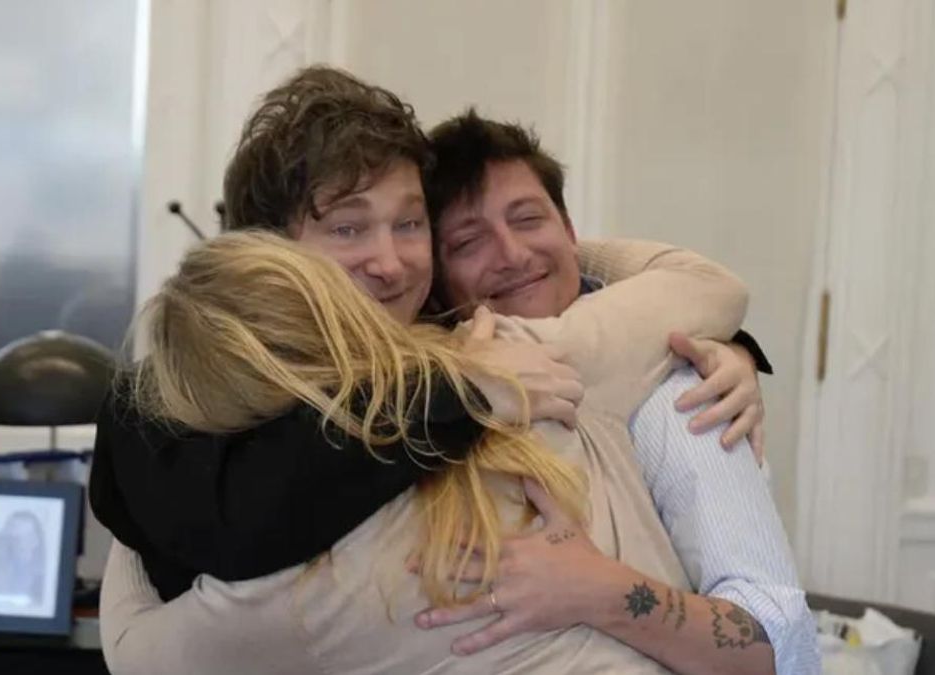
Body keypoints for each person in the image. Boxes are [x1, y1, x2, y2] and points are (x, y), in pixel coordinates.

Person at [91, 66, 814, 674]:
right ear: (268, 255)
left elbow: (138, 645)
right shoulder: (518, 366)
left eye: (410, 225)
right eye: (348, 227)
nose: (390, 261)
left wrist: (721, 345)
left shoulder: (521, 355)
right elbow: (699, 283)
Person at [0, 510, 46, 606]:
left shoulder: (44, 577)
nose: (16, 543)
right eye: (12, 537)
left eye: (23, 537)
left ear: (35, 540)